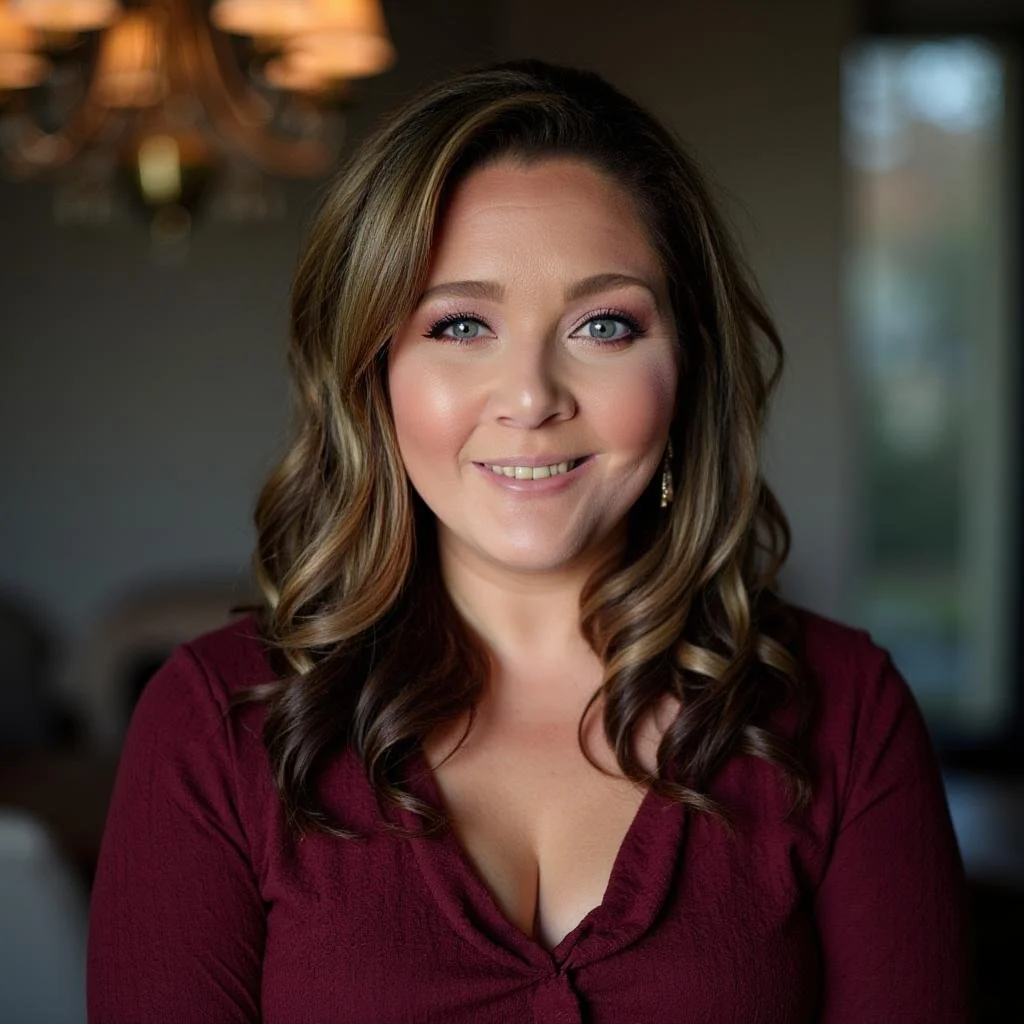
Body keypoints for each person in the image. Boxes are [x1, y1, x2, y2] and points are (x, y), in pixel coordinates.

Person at [87, 60, 970, 1022]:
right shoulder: (215, 726)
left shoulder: (847, 715)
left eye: (602, 324)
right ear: (372, 372)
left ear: (687, 370)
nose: (532, 397)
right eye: (462, 323)